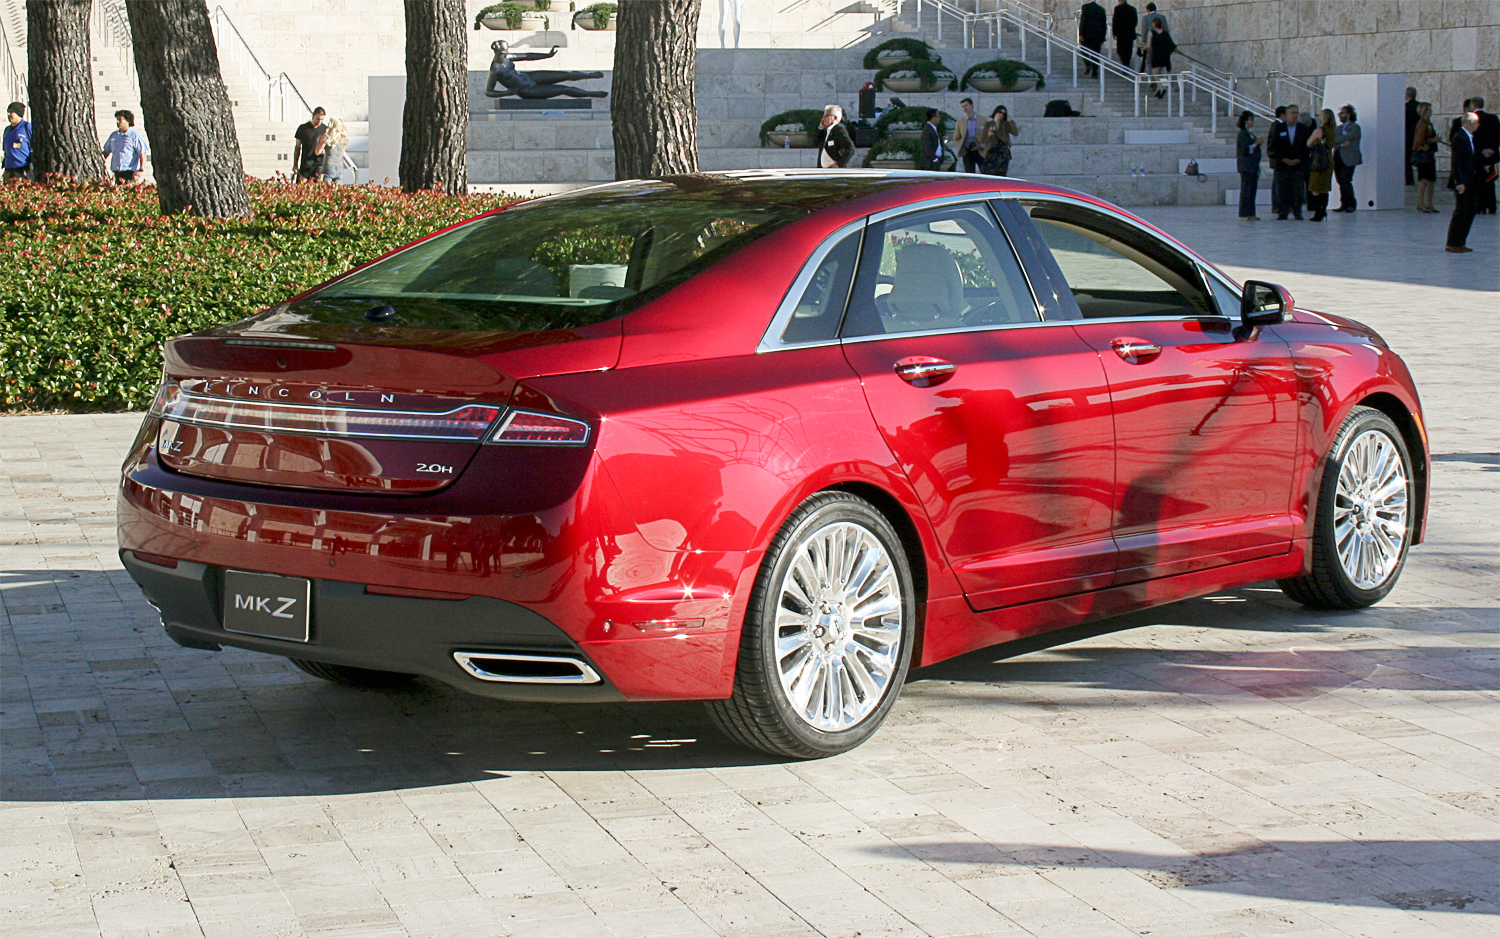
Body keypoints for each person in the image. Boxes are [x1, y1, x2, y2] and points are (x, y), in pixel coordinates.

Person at [1446, 111, 1480, 253]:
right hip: (1463, 181)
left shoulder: (1469, 137)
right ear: (1471, 123)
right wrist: (1459, 181)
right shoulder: (1460, 137)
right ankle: (1453, 242)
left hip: (1471, 179)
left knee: (1469, 210)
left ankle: (1460, 241)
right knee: (1462, 211)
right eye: (1477, 122)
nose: (1478, 125)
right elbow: (1457, 162)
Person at [1268, 103, 1310, 220]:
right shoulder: (1278, 127)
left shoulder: (1303, 128)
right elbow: (1272, 146)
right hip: (1282, 165)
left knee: (1297, 189)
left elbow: (1306, 147)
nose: (1295, 115)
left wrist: (1299, 159)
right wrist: (1283, 159)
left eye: (1296, 113)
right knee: (1282, 189)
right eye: (1292, 113)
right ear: (1286, 115)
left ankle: (1297, 211)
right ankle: (1283, 212)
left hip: (1298, 165)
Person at [101, 110, 149, 185]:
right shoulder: (114, 135)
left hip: (130, 172)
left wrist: (141, 170)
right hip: (117, 171)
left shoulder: (134, 135)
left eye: (120, 120)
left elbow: (142, 153)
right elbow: (107, 151)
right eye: (117, 120)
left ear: (128, 121)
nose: (118, 122)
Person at [1305, 108, 1336, 222]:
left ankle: (1318, 211)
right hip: (1328, 159)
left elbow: (1309, 143)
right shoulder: (1333, 130)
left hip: (1319, 160)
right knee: (1324, 188)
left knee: (1315, 187)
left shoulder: (1320, 130)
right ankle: (1323, 210)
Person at [1330, 104, 1361, 212]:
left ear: (1349, 114)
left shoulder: (1355, 127)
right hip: (1338, 157)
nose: (1340, 115)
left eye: (1342, 113)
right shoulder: (1338, 128)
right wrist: (1342, 143)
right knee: (1340, 180)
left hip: (1349, 157)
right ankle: (1344, 204)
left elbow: (1349, 137)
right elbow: (1334, 139)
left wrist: (1340, 141)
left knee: (1345, 180)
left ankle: (1351, 204)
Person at [1472, 96, 1498, 214]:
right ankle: (1491, 205)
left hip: (1478, 154)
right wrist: (1491, 149)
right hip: (1491, 153)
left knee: (1479, 179)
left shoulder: (1472, 119)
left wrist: (1481, 150)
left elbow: (1474, 137)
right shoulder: (1493, 118)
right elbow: (1497, 135)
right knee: (1490, 179)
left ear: (1473, 105)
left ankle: (1480, 205)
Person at [1411, 101, 1438, 213]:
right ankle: (1421, 203)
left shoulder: (1428, 123)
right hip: (1424, 154)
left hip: (1429, 154)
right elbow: (1420, 140)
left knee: (1431, 180)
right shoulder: (1422, 124)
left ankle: (1429, 203)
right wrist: (1433, 140)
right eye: (1429, 110)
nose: (1431, 112)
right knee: (1423, 180)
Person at [979, 104, 1019, 176]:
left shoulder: (1005, 124)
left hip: (1002, 152)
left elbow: (1015, 133)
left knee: (1001, 174)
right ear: (996, 112)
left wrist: (1010, 121)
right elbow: (984, 140)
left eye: (1003, 113)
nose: (1001, 114)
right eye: (1000, 112)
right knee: (989, 173)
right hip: (991, 151)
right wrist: (989, 135)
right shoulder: (988, 124)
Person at [1236, 111, 1262, 220]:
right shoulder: (1243, 134)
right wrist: (1256, 143)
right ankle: (1244, 213)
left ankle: (1251, 213)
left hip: (1252, 166)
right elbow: (1245, 150)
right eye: (1251, 119)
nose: (1252, 122)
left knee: (1252, 190)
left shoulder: (1249, 133)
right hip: (1247, 166)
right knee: (1246, 190)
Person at [292, 107, 328, 182]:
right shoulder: (303, 128)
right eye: (317, 119)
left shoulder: (325, 129)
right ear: (313, 116)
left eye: (322, 119)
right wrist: (295, 164)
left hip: (318, 165)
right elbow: (297, 147)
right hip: (305, 165)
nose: (319, 121)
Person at [950, 98, 982, 173]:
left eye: (966, 105)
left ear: (972, 105)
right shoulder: (960, 122)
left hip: (980, 151)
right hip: (967, 151)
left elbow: (988, 136)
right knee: (969, 173)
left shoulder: (982, 119)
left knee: (985, 173)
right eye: (963, 106)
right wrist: (961, 147)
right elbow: (956, 138)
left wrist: (982, 145)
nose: (965, 108)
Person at [1145, 18, 1175, 99]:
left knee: (1155, 73)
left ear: (1154, 24)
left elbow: (1148, 46)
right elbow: (1171, 44)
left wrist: (1142, 47)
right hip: (1164, 56)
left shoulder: (1151, 33)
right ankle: (1158, 91)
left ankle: (1162, 88)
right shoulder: (1165, 33)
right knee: (1159, 73)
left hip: (1156, 55)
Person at [1079, 1, 1108, 77]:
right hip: (1097, 35)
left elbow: (1083, 21)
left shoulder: (1085, 7)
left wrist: (1081, 33)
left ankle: (1088, 64)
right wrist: (1103, 36)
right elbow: (1104, 24)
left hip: (1087, 34)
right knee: (1096, 53)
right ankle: (1095, 71)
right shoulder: (1101, 9)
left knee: (1083, 49)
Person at [3, 102, 30, 182]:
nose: (9, 115)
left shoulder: (26, 127)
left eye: (12, 112)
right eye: (8, 112)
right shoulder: (7, 130)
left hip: (22, 169)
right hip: (9, 169)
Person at [1268, 105, 1287, 217]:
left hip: (1279, 159)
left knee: (1279, 183)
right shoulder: (1277, 126)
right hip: (1278, 159)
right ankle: (1277, 206)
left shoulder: (1280, 126)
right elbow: (1274, 144)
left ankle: (1280, 205)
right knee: (1278, 184)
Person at [1137, 2, 1165, 73]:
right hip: (1161, 45)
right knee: (1160, 63)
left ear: (1148, 9)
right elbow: (1166, 31)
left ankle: (1152, 80)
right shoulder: (1162, 17)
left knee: (1149, 62)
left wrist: (1140, 46)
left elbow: (1144, 33)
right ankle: (1158, 78)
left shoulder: (1146, 18)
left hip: (1150, 44)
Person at [322, 118, 350, 183]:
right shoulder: (343, 138)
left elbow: (317, 151)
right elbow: (341, 154)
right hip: (339, 166)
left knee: (327, 190)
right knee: (338, 191)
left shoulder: (327, 137)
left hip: (329, 165)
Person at [1112, 0, 1138, 68]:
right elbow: (1135, 21)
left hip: (1121, 33)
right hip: (1129, 33)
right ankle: (1127, 62)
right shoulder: (1133, 9)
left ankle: (1124, 62)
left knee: (1120, 49)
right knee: (1128, 49)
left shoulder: (1117, 8)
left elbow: (1115, 21)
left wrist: (1114, 32)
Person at [1404, 86, 1418, 186]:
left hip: (1408, 136)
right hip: (1416, 135)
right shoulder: (1418, 106)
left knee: (1407, 159)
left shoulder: (1406, 107)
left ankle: (1409, 180)